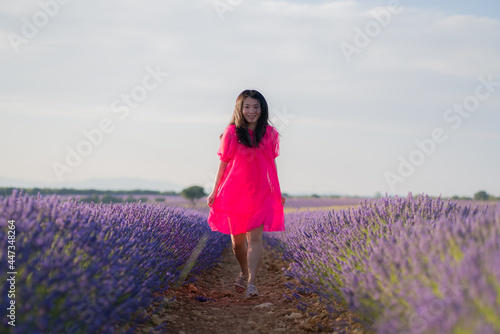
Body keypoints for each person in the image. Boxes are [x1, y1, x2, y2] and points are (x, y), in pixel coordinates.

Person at [206, 89, 286, 299]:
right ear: (240, 109)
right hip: (234, 192)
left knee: (255, 239)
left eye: (255, 107)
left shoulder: (269, 134)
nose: (251, 111)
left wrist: (277, 192)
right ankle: (243, 271)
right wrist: (215, 191)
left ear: (262, 109)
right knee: (237, 242)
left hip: (261, 193)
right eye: (247, 106)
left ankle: (252, 283)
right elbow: (222, 164)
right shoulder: (231, 133)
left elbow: (271, 165)